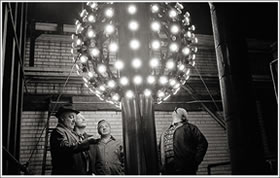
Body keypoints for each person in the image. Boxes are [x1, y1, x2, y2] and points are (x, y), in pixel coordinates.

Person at [159, 107, 208, 175]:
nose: (175, 110)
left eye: (178, 110)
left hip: (185, 170)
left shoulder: (190, 128)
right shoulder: (165, 132)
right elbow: (159, 151)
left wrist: (194, 162)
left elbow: (203, 144)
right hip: (168, 171)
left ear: (183, 117)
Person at [50, 105, 97, 175]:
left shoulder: (71, 133)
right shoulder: (58, 131)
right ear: (62, 118)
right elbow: (65, 147)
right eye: (71, 117)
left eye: (75, 118)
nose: (74, 121)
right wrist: (87, 142)